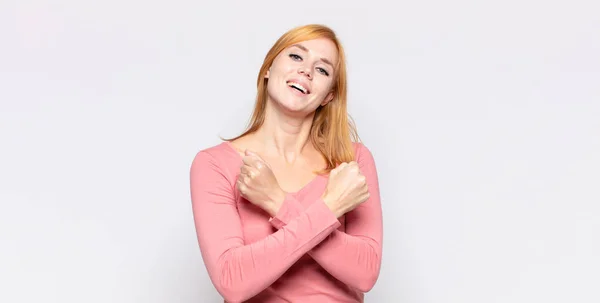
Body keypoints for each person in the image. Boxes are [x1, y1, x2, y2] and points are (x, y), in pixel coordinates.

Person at [189, 24, 383, 303]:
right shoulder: (215, 164)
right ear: (268, 68)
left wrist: (277, 202)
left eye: (323, 70)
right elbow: (232, 281)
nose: (306, 70)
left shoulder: (351, 162)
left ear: (328, 95)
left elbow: (365, 273)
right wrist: (329, 209)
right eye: (296, 56)